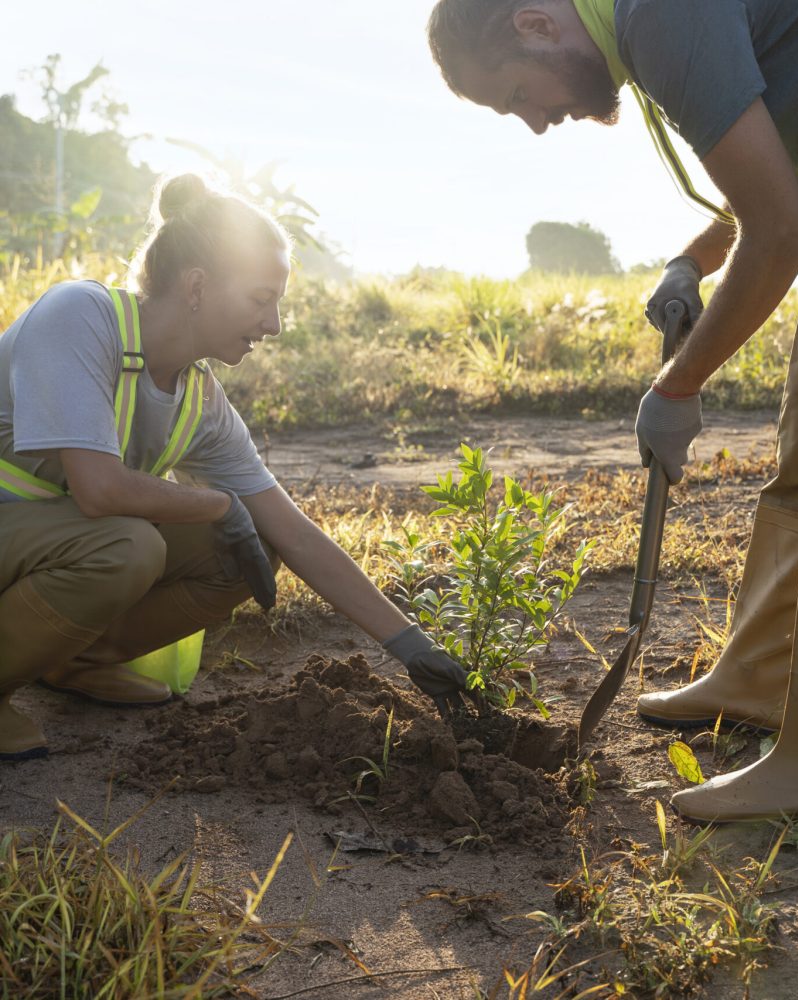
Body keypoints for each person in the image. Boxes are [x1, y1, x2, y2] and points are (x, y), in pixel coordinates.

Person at [425, 0, 798, 821]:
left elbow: (781, 236)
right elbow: (766, 161)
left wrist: (676, 387)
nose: (537, 125)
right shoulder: (644, 27)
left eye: (514, 97)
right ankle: (761, 675)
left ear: (534, 24)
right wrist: (691, 259)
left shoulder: (657, 13)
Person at [0, 174, 467, 762]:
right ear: (196, 286)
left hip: (35, 547)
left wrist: (412, 648)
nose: (273, 325)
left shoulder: (199, 397)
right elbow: (98, 489)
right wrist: (219, 504)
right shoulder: (80, 316)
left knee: (248, 550)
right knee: (129, 544)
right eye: (259, 299)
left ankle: (74, 659)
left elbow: (293, 531)